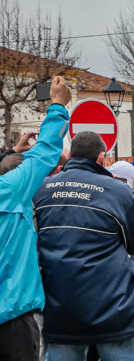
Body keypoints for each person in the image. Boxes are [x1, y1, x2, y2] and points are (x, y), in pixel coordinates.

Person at [34, 130, 134, 360]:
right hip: (113, 304)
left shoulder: (42, 189)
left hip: (60, 303)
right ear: (102, 158)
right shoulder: (118, 191)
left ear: (72, 155)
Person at [0, 76, 70, 359]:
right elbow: (44, 153)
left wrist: (12, 153)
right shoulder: (10, 189)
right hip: (12, 313)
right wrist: (57, 105)